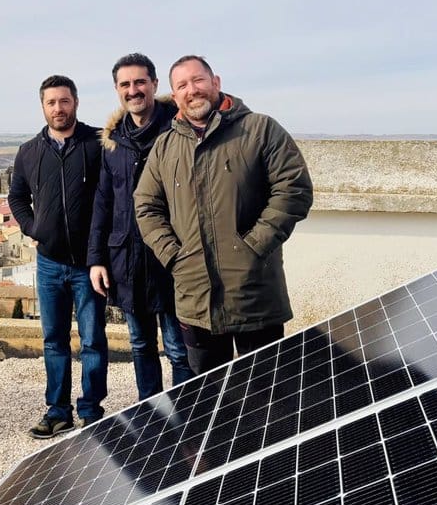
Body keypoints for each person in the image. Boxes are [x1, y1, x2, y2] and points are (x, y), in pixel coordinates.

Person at [134, 56, 312, 375]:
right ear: (174, 96)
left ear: (216, 82)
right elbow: (146, 206)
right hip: (195, 299)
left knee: (266, 398)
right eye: (182, 86)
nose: (193, 90)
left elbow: (294, 189)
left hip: (255, 295)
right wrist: (174, 256)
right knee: (210, 401)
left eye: (198, 80)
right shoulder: (164, 147)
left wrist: (254, 246)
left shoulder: (259, 130)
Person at [88, 53, 194, 401]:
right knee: (140, 345)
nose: (133, 90)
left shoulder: (179, 131)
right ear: (118, 90)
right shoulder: (114, 141)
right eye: (125, 84)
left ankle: (187, 421)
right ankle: (151, 419)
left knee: (179, 348)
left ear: (154, 85)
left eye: (139, 82)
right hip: (127, 262)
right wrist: (97, 259)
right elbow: (104, 201)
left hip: (171, 259)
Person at [8, 75, 107, 438]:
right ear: (43, 107)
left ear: (76, 103)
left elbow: (109, 197)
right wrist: (34, 229)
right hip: (49, 263)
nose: (58, 109)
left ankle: (92, 410)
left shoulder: (97, 144)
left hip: (88, 262)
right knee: (54, 338)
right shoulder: (29, 151)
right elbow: (16, 197)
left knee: (94, 338)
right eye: (51, 103)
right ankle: (58, 410)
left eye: (64, 101)